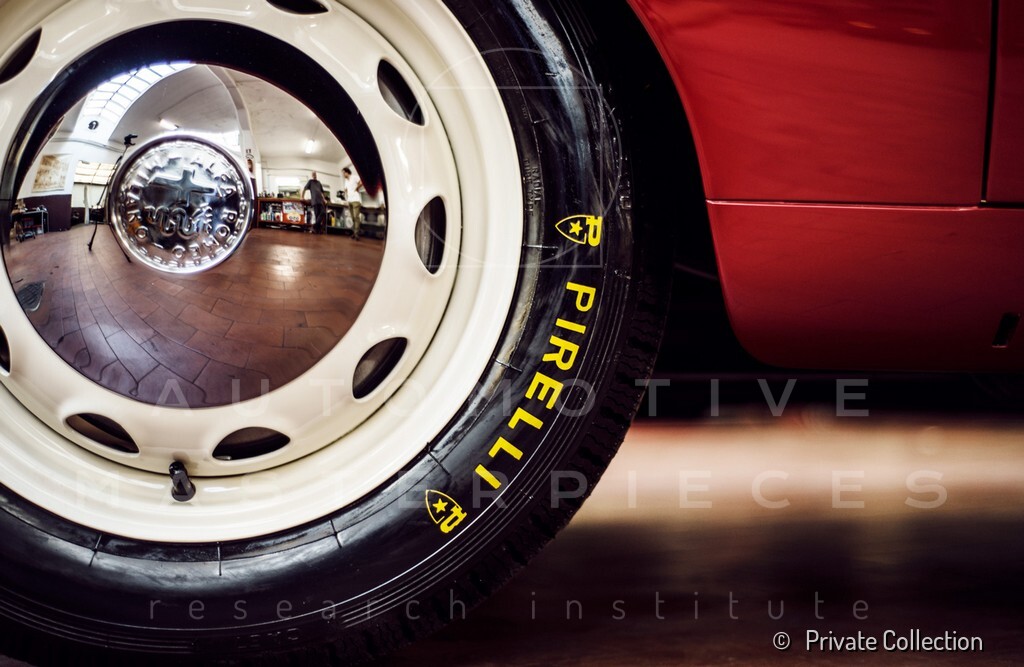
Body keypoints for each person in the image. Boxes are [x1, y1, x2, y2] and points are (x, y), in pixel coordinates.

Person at [342, 167, 363, 240]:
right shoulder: (346, 181)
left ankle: (356, 234)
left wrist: (357, 188)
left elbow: (361, 182)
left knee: (356, 217)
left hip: (356, 200)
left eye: (344, 173)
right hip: (350, 201)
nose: (343, 174)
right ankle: (355, 233)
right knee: (353, 218)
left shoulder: (354, 177)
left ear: (347, 172)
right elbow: (345, 189)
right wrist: (345, 192)